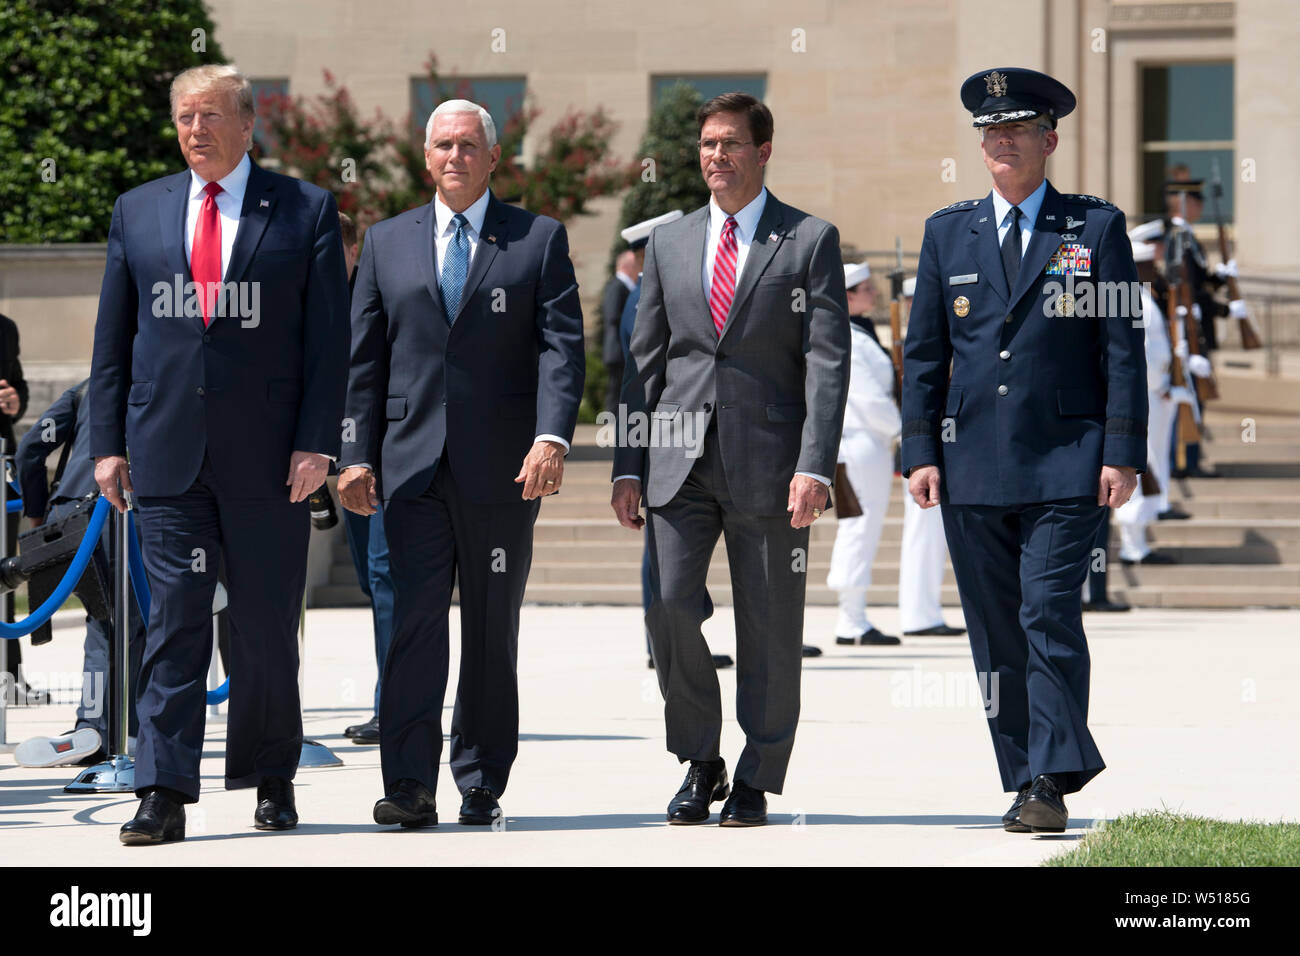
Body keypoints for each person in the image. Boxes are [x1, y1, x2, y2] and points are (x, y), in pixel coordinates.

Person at [90, 64, 351, 845]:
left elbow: (329, 347)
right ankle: (163, 791)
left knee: (266, 627)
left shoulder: (304, 210)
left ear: (246, 124)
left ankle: (272, 777)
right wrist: (106, 445)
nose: (194, 130)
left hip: (272, 463)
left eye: (208, 116)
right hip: (167, 456)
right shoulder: (138, 211)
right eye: (182, 117)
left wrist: (318, 444)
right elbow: (112, 343)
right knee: (173, 624)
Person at [902, 68, 1146, 834]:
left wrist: (1123, 450)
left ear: (1050, 139)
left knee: (1046, 613)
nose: (1001, 140)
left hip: (1068, 459)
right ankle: (1026, 774)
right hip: (969, 460)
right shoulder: (949, 231)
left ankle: (1048, 777)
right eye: (989, 131)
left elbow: (1122, 350)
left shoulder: (1094, 228)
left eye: (1016, 129)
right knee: (995, 630)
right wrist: (920, 452)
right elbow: (924, 353)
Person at [339, 99, 585, 829]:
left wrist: (552, 437)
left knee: (489, 628)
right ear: (425, 156)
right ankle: (408, 786)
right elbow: (362, 362)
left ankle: (481, 779)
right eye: (443, 144)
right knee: (411, 627)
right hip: (407, 471)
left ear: (493, 155)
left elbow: (560, 349)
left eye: (469, 145)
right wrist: (353, 453)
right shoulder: (386, 243)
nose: (455, 156)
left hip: (503, 474)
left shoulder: (536, 240)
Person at [611, 92, 850, 827]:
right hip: (677, 463)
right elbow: (642, 361)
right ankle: (700, 758)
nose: (717, 156)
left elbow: (827, 362)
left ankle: (756, 773)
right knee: (669, 606)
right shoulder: (672, 244)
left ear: (763, 151)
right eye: (708, 145)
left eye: (731, 145)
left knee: (771, 628)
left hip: (773, 468)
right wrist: (626, 462)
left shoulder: (808, 240)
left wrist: (814, 465)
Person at [617, 212, 735, 670]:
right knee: (664, 561)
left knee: (670, 561)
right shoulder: (644, 295)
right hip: (665, 435)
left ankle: (674, 641)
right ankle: (663, 644)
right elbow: (642, 371)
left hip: (679, 432)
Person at [13, 379, 145, 768]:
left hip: (70, 517)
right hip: (124, 512)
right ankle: (116, 728)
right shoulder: (167, 378)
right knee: (134, 621)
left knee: (102, 621)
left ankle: (95, 723)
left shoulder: (86, 389)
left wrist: (37, 510)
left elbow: (29, 450)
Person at [335, 211, 394, 747]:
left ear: (353, 250)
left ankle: (392, 705)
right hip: (330, 464)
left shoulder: (373, 289)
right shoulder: (307, 297)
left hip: (377, 462)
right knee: (370, 581)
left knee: (386, 580)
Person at [827, 262, 901, 646]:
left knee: (862, 528)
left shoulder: (859, 332)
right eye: (867, 289)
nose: (875, 294)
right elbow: (869, 398)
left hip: (867, 442)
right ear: (849, 296)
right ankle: (850, 620)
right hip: (860, 442)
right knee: (859, 527)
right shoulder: (849, 338)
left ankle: (853, 616)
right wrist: (904, 428)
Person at [896, 280, 966, 637]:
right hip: (923, 447)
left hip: (936, 443)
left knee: (929, 538)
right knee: (922, 536)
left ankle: (923, 610)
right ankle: (918, 613)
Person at [1114, 227, 1185, 569]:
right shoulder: (1136, 302)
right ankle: (1133, 546)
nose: (1153, 271)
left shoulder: (1144, 300)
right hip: (1146, 395)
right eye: (1147, 265)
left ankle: (1137, 540)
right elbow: (1141, 356)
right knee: (1143, 465)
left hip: (1153, 393)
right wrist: (1160, 385)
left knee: (1151, 463)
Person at [0, 311, 37, 705]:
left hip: (1, 465)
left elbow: (19, 384)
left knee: (5, 573)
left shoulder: (6, 327)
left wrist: (14, 401)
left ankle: (9, 678)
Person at [602, 250, 638, 413]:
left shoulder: (624, 285)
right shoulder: (617, 285)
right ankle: (611, 424)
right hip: (616, 348)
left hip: (620, 347)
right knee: (616, 389)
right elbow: (612, 315)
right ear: (627, 266)